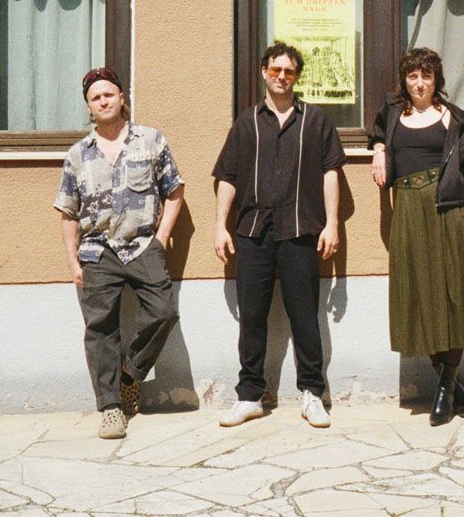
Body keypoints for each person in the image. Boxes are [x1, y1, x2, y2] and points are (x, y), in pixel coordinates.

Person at [212, 41, 345, 428]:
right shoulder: (246, 122)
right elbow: (227, 177)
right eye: (275, 70)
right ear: (263, 73)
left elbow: (331, 173)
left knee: (305, 315)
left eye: (288, 71)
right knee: (252, 316)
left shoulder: (316, 121)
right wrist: (220, 225)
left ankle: (312, 394)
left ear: (296, 76)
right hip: (252, 231)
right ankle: (250, 395)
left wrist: (332, 223)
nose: (281, 77)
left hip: (301, 229)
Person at [54, 67, 184, 440]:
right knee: (100, 330)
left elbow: (175, 193)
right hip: (96, 251)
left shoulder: (151, 141)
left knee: (164, 311)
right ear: (89, 108)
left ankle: (130, 371)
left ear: (122, 98)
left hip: (144, 245)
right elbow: (67, 213)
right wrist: (72, 260)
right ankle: (111, 408)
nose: (103, 101)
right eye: (96, 98)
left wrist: (160, 240)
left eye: (109, 94)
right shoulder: (78, 154)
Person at [369, 47, 464, 426]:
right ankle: (452, 384)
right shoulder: (391, 114)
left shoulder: (454, 119)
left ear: (436, 79)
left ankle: (444, 388)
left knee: (455, 298)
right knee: (419, 298)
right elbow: (376, 133)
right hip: (408, 212)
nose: (419, 83)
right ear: (404, 81)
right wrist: (378, 149)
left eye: (426, 76)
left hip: (451, 212)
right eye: (412, 77)